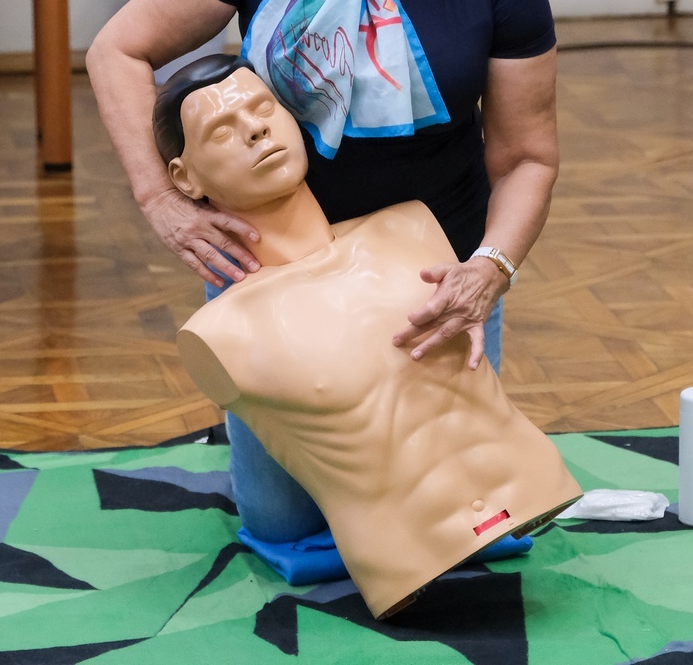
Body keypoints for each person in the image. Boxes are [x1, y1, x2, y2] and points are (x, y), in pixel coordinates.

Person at [87, 0, 558, 544]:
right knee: (285, 529)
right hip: (274, 277)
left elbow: (526, 156)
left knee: (461, 539)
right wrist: (161, 200)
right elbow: (118, 49)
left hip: (433, 286)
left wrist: (489, 270)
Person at [158, 57, 579, 617]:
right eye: (221, 130)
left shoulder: (412, 228)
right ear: (185, 178)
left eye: (263, 109)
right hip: (397, 559)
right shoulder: (221, 331)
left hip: (529, 489)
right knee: (277, 514)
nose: (255, 129)